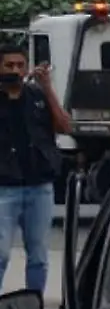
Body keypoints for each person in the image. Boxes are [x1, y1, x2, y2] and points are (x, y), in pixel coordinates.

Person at [0, 43, 69, 295]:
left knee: (38, 254)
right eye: (9, 65)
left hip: (39, 187)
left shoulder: (38, 96)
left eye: (20, 65)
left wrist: (48, 88)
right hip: (4, 188)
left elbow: (64, 126)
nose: (15, 71)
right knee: (1, 253)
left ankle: (34, 307)